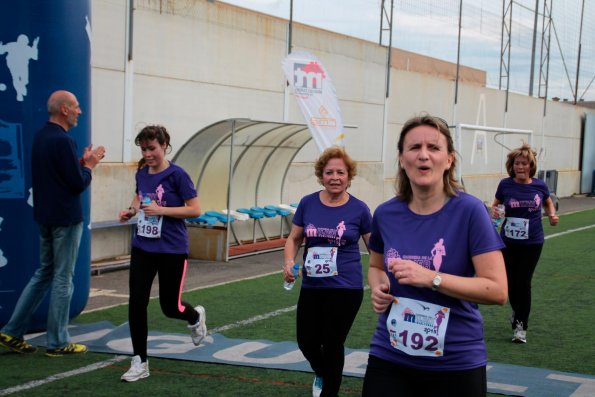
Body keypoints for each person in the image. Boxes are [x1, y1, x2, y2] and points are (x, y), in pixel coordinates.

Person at [362, 114, 508, 397]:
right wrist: (379, 285)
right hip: (390, 355)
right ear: (402, 159)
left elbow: (497, 290)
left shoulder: (470, 211)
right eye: (414, 148)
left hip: (455, 362)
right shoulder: (385, 214)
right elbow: (376, 265)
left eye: (434, 148)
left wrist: (432, 278)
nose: (423, 156)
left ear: (449, 159)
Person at [0, 90, 105, 356]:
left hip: (45, 217)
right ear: (65, 110)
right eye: (76, 106)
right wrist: (90, 166)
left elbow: (58, 174)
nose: (80, 111)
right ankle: (58, 341)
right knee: (62, 278)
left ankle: (12, 331)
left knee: (43, 274)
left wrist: (80, 163)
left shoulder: (42, 137)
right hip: (65, 220)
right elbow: (76, 183)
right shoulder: (63, 140)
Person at [118, 125, 205, 382]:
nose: (148, 154)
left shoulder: (178, 175)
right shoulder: (142, 172)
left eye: (152, 148)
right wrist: (131, 211)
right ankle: (140, 361)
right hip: (143, 246)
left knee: (170, 306)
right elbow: (139, 195)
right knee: (137, 302)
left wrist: (162, 211)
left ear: (165, 145)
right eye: (144, 149)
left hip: (172, 248)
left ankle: (194, 315)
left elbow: (195, 209)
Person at [283, 146, 372, 397]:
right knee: (307, 341)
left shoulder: (360, 209)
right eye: (329, 172)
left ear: (349, 176)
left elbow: (374, 245)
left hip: (346, 287)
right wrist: (288, 263)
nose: (335, 177)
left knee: (332, 343)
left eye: (340, 173)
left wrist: (383, 273)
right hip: (312, 284)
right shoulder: (308, 203)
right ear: (321, 175)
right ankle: (323, 372)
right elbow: (294, 238)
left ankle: (329, 391)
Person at [491, 143, 558, 344]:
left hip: (533, 242)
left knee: (524, 282)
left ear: (531, 166)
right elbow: (495, 206)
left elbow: (547, 202)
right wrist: (494, 212)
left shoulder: (540, 185)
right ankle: (517, 311)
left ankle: (520, 326)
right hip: (509, 242)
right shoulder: (505, 185)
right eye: (517, 163)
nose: (520, 167)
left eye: (524, 164)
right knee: (511, 282)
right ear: (512, 165)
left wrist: (552, 214)